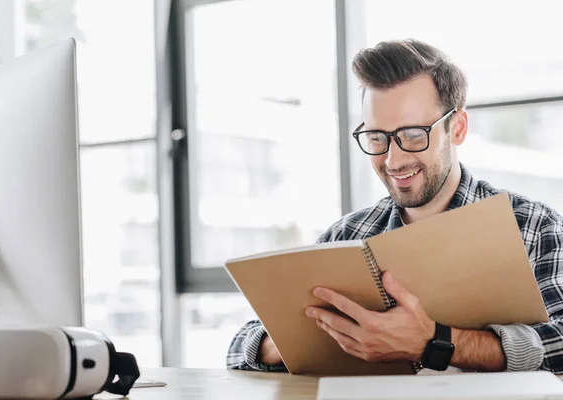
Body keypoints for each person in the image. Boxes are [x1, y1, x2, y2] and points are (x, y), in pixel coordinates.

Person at [225, 39, 563, 374]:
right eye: (376, 137)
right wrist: (316, 336)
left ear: (457, 128)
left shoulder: (533, 227)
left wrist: (434, 343)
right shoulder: (347, 235)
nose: (392, 159)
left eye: (413, 134)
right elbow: (240, 349)